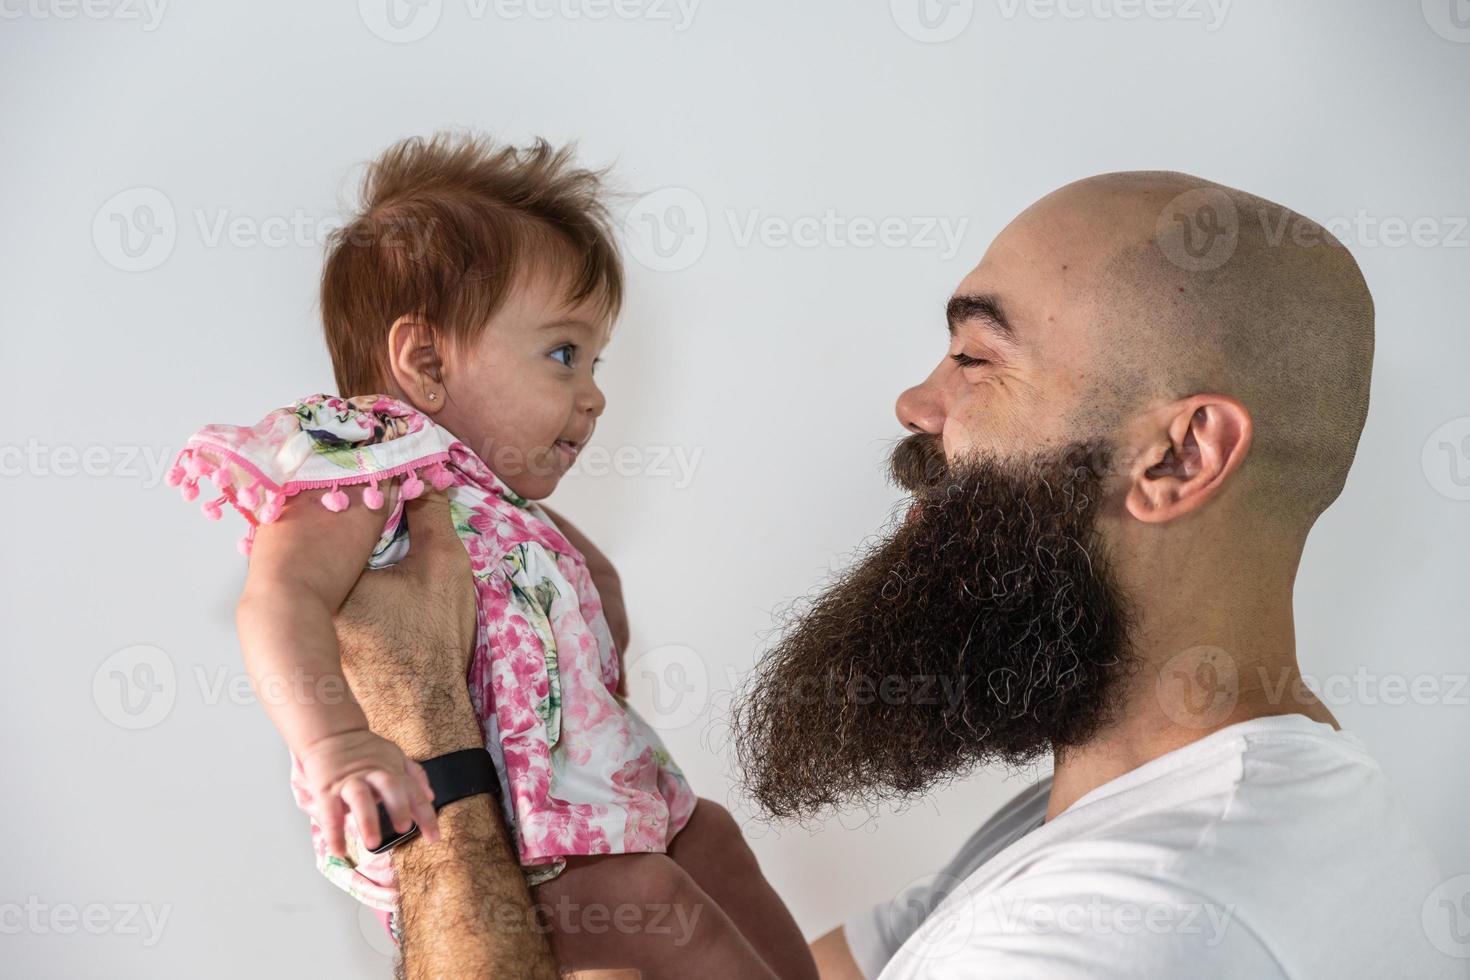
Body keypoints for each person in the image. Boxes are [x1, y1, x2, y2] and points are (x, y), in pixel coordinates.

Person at [344, 171, 1460, 979]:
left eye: (978, 357)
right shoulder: (1133, 810)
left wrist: (433, 734)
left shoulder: (1137, 925)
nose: (918, 404)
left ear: (1176, 456)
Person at [167, 132, 814, 980]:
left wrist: (595, 588)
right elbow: (278, 598)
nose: (595, 394)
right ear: (425, 363)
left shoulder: (491, 500)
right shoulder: (368, 463)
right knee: (656, 904)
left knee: (711, 835)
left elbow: (551, 575)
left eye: (595, 359)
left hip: (575, 796)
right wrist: (334, 744)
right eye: (562, 353)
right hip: (497, 835)